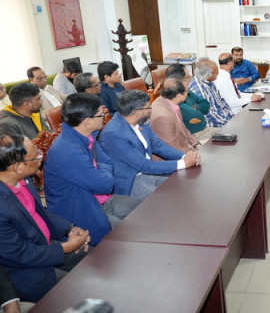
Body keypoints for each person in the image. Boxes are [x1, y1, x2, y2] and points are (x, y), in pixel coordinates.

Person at [0, 134, 90, 302]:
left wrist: (69, 228)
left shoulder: (24, 179)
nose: (41, 157)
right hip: (27, 271)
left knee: (97, 260)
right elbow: (20, 254)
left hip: (47, 245)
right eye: (36, 156)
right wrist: (65, 248)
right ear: (18, 167)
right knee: (79, 294)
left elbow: (40, 213)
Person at [44, 93, 142, 245]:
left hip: (104, 200)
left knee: (148, 213)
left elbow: (107, 162)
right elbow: (105, 184)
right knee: (136, 236)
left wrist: (102, 171)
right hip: (84, 209)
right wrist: (103, 171)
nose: (104, 116)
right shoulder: (67, 150)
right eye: (100, 115)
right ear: (86, 121)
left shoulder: (86, 135)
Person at [99, 90, 201, 200]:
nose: (151, 111)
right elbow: (144, 165)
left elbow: (157, 145)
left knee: (187, 185)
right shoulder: (113, 134)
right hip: (132, 180)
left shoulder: (141, 122)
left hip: (149, 172)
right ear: (137, 112)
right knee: (165, 201)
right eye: (148, 108)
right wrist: (183, 164)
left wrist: (184, 156)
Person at [165, 63, 218, 140]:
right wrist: (199, 109)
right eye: (188, 77)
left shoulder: (186, 90)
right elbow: (198, 116)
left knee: (229, 133)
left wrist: (195, 107)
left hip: (205, 130)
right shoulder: (175, 97)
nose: (190, 79)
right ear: (179, 80)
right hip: (194, 136)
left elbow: (206, 104)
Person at [150, 77, 201, 153]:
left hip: (182, 146)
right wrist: (195, 152)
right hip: (170, 160)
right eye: (187, 91)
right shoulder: (163, 117)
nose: (188, 93)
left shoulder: (171, 101)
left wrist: (196, 143)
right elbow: (172, 149)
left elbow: (183, 129)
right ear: (178, 95)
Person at [190, 59, 235, 129]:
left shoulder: (208, 81)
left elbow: (221, 101)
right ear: (207, 74)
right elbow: (210, 115)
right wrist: (230, 122)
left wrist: (232, 116)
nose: (217, 75)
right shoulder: (199, 90)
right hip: (214, 126)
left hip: (223, 119)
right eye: (216, 73)